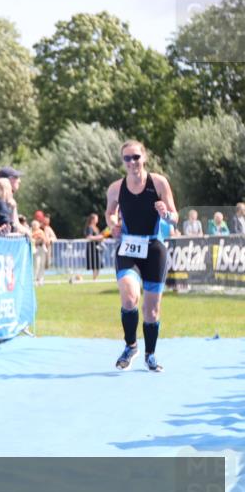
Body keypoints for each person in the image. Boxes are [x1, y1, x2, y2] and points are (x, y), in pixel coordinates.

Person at [105, 140, 179, 372]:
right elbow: (109, 212)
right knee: (128, 298)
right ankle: (131, 346)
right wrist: (114, 224)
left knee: (151, 310)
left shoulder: (158, 182)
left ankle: (150, 355)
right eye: (127, 158)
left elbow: (175, 217)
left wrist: (165, 213)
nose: (132, 162)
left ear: (144, 157)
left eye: (136, 157)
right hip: (128, 247)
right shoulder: (116, 188)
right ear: (122, 162)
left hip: (153, 248)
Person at [84, 213, 104, 281]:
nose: (97, 220)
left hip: (97, 248)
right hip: (92, 249)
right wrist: (99, 237)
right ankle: (94, 279)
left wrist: (102, 237)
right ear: (92, 219)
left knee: (98, 264)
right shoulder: (89, 227)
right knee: (95, 265)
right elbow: (89, 237)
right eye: (96, 218)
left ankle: (95, 278)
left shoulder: (96, 228)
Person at [31, 220, 49, 286]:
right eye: (34, 225)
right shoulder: (31, 232)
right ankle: (34, 279)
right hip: (36, 249)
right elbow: (32, 241)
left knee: (42, 264)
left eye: (36, 225)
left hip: (42, 249)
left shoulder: (41, 231)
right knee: (36, 264)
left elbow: (45, 240)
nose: (35, 226)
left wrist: (43, 240)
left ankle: (41, 279)